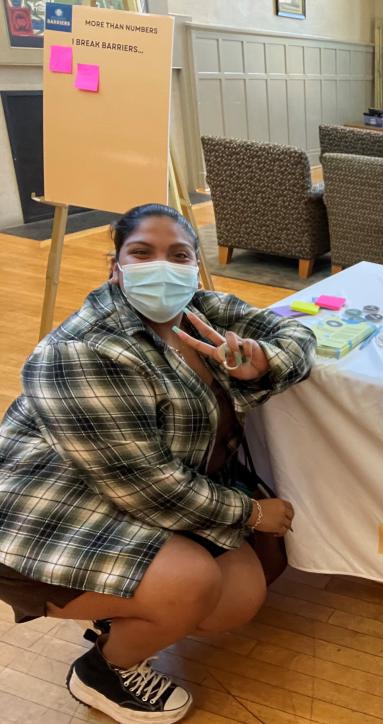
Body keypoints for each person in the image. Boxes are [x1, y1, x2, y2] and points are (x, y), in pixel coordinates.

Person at [0, 204, 316, 723]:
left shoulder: (198, 309)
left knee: (239, 594)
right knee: (191, 583)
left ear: (195, 265)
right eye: (142, 253)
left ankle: (122, 610)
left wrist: (262, 358)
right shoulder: (83, 350)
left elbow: (292, 331)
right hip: (50, 508)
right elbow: (144, 484)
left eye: (179, 255)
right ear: (115, 266)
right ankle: (106, 670)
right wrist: (250, 514)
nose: (162, 268)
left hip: (137, 494)